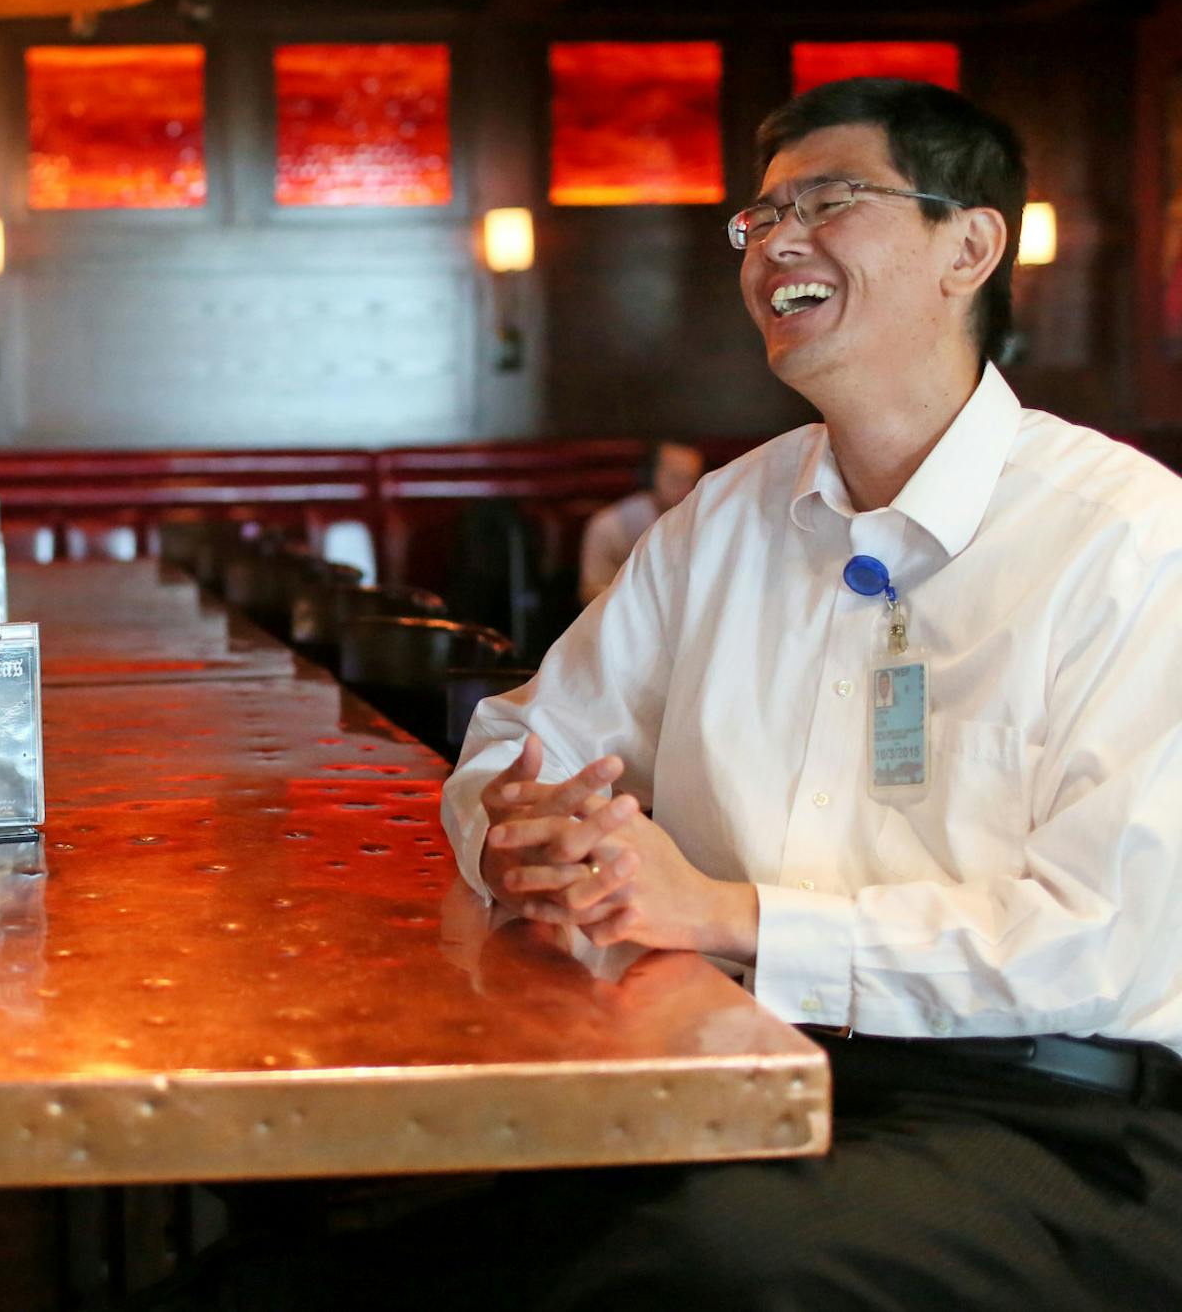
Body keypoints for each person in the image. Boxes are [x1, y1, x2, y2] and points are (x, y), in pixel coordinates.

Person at [432, 77, 1182, 1308]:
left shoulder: (1130, 541)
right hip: (724, 1065)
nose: (778, 241)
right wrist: (523, 833)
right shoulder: (724, 519)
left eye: (830, 201)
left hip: (1048, 1114)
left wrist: (728, 915)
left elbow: (1100, 941)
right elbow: (516, 741)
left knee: (718, 1269)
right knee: (390, 1241)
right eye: (761, 215)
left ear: (970, 245)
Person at [576, 440, 702, 603]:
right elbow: (590, 592)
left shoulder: (704, 522)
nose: (687, 489)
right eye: (675, 478)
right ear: (649, 476)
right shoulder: (608, 526)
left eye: (693, 481)